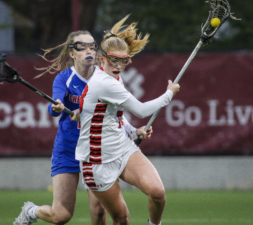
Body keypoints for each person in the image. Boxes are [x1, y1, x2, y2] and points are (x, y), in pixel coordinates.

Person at [70, 15, 180, 225]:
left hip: (122, 148)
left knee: (157, 192)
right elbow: (140, 109)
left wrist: (133, 131)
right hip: (96, 161)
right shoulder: (105, 82)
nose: (119, 65)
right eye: (114, 59)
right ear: (102, 59)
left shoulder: (114, 78)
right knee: (121, 219)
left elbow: (114, 116)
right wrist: (169, 94)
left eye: (124, 60)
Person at [14, 31, 107, 225]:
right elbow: (54, 107)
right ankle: (31, 211)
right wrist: (56, 106)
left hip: (96, 150)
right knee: (61, 216)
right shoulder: (64, 78)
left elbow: (115, 111)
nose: (89, 49)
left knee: (99, 211)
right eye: (82, 46)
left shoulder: (104, 78)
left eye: (92, 45)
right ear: (72, 53)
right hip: (68, 149)